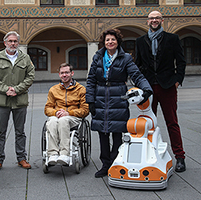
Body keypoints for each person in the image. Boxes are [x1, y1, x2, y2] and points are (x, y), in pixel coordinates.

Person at [86, 28, 152, 178]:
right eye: (107, 40)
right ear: (104, 42)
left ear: (117, 42)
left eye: (113, 40)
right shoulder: (97, 57)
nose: (110, 42)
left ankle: (115, 161)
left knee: (117, 132)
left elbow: (136, 74)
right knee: (102, 132)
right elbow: (91, 80)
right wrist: (90, 100)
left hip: (118, 96)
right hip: (100, 96)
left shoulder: (125, 58)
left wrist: (146, 89)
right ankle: (105, 164)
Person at [135, 11, 186, 172]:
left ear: (162, 20)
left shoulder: (172, 38)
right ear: (147, 21)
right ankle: (150, 157)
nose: (154, 20)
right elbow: (138, 64)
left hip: (168, 86)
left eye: (157, 18)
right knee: (148, 124)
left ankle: (180, 157)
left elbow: (181, 61)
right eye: (151, 18)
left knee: (172, 122)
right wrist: (139, 84)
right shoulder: (140, 41)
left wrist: (177, 80)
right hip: (148, 88)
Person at [0, 31, 35, 172]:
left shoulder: (25, 58)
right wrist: (5, 89)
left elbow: (30, 77)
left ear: (18, 43)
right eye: (10, 41)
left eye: (15, 41)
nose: (13, 43)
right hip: (2, 101)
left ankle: (21, 158)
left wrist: (17, 89)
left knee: (20, 132)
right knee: (0, 132)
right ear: (5, 43)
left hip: (20, 101)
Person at [44, 63, 89, 165]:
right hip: (57, 116)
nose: (64, 75)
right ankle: (52, 154)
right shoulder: (53, 89)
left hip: (73, 117)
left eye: (67, 72)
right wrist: (56, 112)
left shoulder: (81, 89)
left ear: (72, 73)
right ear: (59, 75)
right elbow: (47, 108)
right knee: (51, 121)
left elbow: (85, 110)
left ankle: (65, 154)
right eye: (62, 73)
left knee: (64, 120)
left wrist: (69, 113)